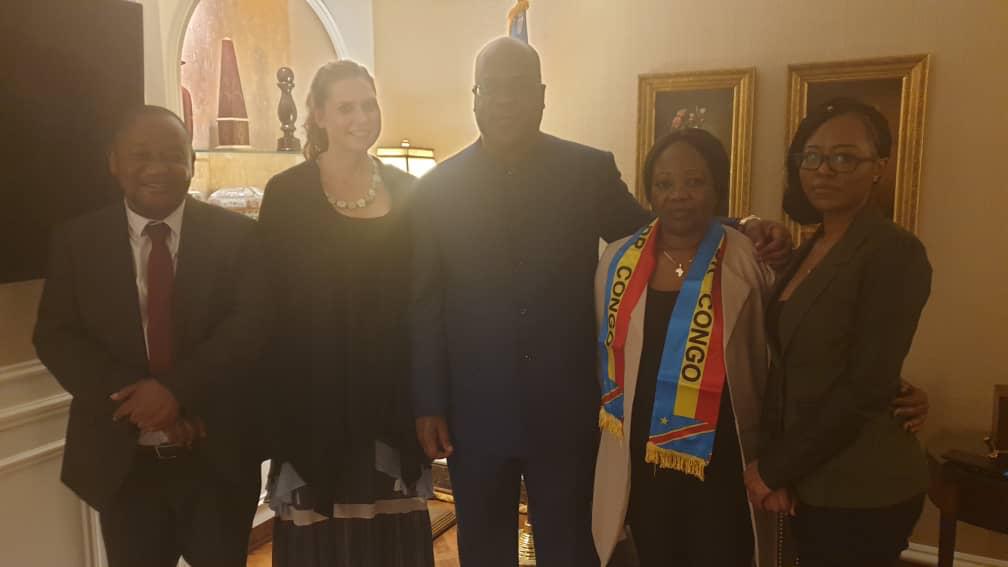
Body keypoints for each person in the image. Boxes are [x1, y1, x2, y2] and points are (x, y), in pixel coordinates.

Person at [409, 36, 793, 567]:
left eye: (517, 88)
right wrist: (429, 400)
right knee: (483, 547)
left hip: (568, 406)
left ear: (542, 96)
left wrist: (739, 227)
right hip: (476, 409)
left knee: (572, 543)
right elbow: (425, 300)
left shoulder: (585, 170)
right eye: (490, 88)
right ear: (474, 96)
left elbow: (655, 231)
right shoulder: (437, 188)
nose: (502, 100)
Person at [33, 105, 268, 567]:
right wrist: (144, 404)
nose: (157, 168)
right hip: (121, 468)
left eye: (172, 154)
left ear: (192, 163)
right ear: (113, 162)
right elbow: (55, 335)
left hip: (216, 460)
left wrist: (175, 392)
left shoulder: (239, 237)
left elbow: (252, 326)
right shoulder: (77, 241)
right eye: (140, 155)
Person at [257, 60, 434, 567]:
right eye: (346, 107)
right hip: (313, 409)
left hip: (391, 406)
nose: (361, 117)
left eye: (369, 104)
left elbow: (424, 300)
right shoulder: (286, 194)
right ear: (317, 115)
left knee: (393, 548)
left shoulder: (410, 192)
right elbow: (269, 311)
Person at [744, 98, 932, 567]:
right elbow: (791, 363)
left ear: (878, 168)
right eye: (812, 156)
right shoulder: (812, 247)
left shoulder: (894, 251)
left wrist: (774, 468)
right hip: (811, 474)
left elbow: (867, 385)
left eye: (845, 157)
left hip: (863, 485)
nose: (823, 170)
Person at [591, 129, 777, 567]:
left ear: (717, 188)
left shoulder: (749, 258)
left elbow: (789, 341)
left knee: (721, 552)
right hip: (641, 450)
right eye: (664, 183)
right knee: (656, 551)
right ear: (650, 193)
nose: (678, 195)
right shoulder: (615, 262)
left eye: (694, 182)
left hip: (722, 451)